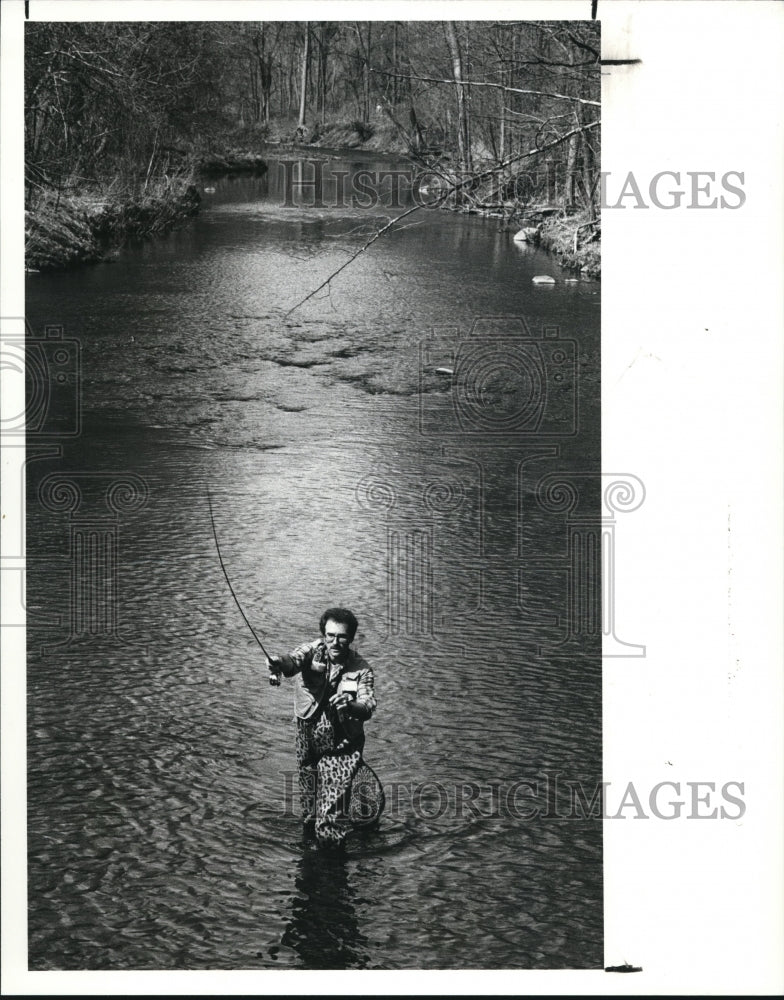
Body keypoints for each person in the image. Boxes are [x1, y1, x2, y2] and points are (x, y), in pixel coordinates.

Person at [266, 608, 376, 847]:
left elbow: (367, 706)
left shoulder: (362, 669)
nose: (335, 642)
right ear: (323, 634)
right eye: (330, 635)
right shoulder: (311, 650)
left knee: (328, 822)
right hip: (308, 738)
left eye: (342, 637)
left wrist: (351, 704)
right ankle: (311, 862)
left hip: (343, 745)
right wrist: (277, 662)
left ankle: (332, 866)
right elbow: (291, 661)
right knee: (309, 813)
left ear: (351, 638)